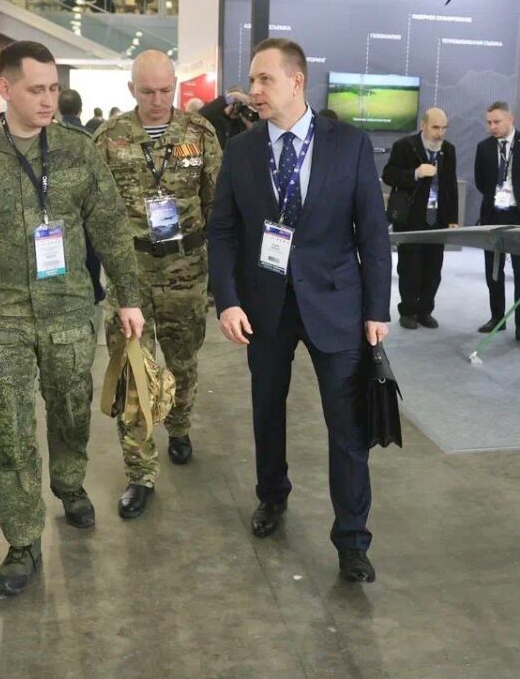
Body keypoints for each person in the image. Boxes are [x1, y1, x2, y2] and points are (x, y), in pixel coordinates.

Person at [0, 41, 144, 598]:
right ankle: (23, 539)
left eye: (53, 89)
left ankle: (69, 484)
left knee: (71, 410)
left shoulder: (77, 149)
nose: (48, 100)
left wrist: (129, 295)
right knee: (9, 431)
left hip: (69, 308)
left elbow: (109, 224)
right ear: (5, 88)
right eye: (35, 89)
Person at [208, 38, 391, 583]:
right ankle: (272, 495)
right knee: (267, 408)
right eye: (252, 80)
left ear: (296, 81)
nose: (254, 90)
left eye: (264, 79)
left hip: (335, 303)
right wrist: (228, 300)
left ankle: (352, 539)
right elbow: (223, 231)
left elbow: (373, 234)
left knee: (347, 425)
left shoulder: (349, 145)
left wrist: (377, 308)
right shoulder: (241, 150)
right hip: (263, 306)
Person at [94, 49, 222, 518]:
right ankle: (140, 473)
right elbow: (96, 211)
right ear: (132, 89)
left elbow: (216, 202)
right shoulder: (109, 139)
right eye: (147, 91)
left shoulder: (198, 133)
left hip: (186, 269)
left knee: (183, 361)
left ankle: (180, 425)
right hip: (129, 273)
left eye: (166, 90)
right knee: (134, 371)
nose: (157, 100)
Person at [382, 108, 459, 330]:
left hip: (437, 219)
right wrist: (415, 173)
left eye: (444, 128)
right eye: (435, 127)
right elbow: (389, 175)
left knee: (433, 268)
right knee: (409, 267)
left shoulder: (448, 150)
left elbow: (450, 185)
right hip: (411, 218)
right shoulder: (405, 146)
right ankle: (408, 311)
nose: (440, 133)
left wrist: (453, 217)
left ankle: (425, 311)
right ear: (423, 125)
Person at [475, 101, 520, 338]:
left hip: (518, 215)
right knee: (493, 270)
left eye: (497, 122)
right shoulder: (483, 148)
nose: (492, 126)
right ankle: (497, 318)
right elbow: (480, 182)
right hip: (492, 216)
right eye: (489, 122)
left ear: (510, 119)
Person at [58, 88, 107, 303]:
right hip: (87, 205)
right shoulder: (91, 137)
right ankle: (94, 289)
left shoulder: (48, 137)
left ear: (59, 109)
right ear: (80, 109)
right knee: (91, 249)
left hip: (58, 207)